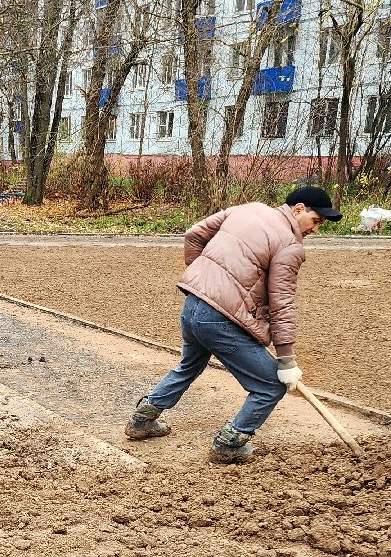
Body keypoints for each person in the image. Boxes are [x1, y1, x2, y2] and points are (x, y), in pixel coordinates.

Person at [124, 185, 342, 463]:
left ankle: (142, 420)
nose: (315, 229)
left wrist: (201, 279)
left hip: (193, 307)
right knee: (270, 386)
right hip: (218, 320)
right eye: (316, 221)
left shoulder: (247, 209)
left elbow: (194, 235)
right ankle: (230, 443)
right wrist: (286, 360)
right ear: (298, 209)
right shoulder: (290, 245)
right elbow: (282, 302)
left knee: (190, 365)